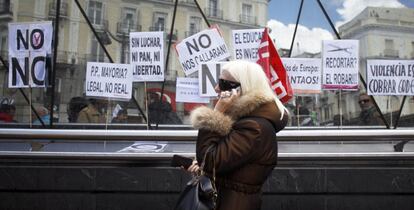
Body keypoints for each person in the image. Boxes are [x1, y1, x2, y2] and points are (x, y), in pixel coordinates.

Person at [188, 60, 289, 210]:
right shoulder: (248, 122)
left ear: (241, 89)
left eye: (223, 83)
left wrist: (216, 113)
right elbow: (224, 162)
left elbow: (212, 160)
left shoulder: (254, 127)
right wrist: (203, 167)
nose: (216, 88)